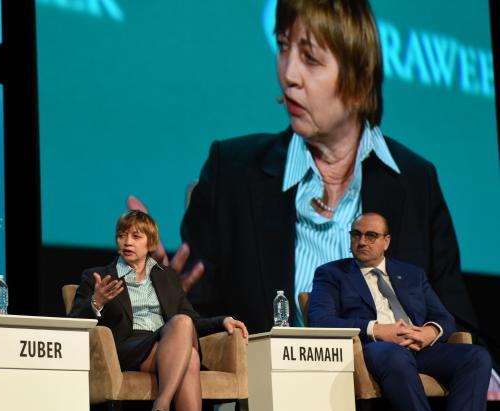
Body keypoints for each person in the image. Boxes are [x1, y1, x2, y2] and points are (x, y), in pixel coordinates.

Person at [172, 0, 478, 334]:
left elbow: (458, 327)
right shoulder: (230, 171)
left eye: (310, 58)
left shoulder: (417, 182)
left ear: (359, 80)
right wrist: (156, 290)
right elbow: (198, 316)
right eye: (283, 47)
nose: (288, 74)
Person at [69, 210, 248, 411]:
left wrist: (222, 319)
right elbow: (72, 324)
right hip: (125, 349)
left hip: (165, 346)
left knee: (185, 342)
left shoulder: (166, 277)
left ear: (150, 243)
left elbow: (193, 320)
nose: (126, 241)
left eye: (135, 236)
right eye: (122, 235)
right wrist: (96, 302)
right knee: (185, 345)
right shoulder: (98, 276)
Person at [309, 212, 491, 411]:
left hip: (420, 348)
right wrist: (378, 330)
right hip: (373, 348)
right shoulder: (332, 274)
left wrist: (429, 332)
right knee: (394, 355)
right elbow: (320, 321)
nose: (362, 242)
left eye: (371, 236)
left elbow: (443, 318)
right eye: (356, 235)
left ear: (386, 241)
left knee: (476, 356)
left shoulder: (412, 274)